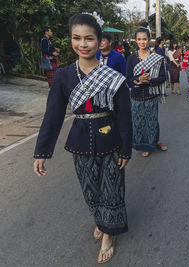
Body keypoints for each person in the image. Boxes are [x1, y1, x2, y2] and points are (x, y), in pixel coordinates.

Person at [33, 13, 132, 264]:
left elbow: (124, 117)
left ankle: (109, 233)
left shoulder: (113, 78)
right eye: (77, 38)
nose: (83, 44)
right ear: (71, 40)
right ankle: (101, 219)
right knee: (90, 191)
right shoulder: (64, 75)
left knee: (112, 189)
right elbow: (53, 116)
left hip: (111, 143)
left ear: (100, 42)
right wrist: (42, 152)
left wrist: (126, 150)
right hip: (80, 143)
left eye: (89, 38)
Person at [126, 23, 168, 157]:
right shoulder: (131, 58)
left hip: (151, 94)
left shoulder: (156, 58)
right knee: (138, 122)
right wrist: (139, 79)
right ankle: (144, 145)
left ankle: (154, 142)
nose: (142, 42)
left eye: (144, 39)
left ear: (149, 40)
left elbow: (162, 77)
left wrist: (149, 81)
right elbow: (127, 79)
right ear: (135, 40)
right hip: (136, 96)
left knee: (152, 120)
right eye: (139, 39)